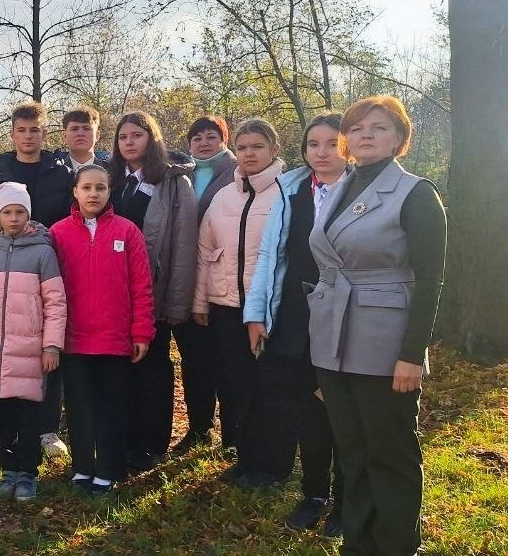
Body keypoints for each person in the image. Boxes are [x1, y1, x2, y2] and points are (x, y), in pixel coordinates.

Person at [308, 95, 446, 556]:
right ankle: (360, 543)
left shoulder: (416, 193)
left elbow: (431, 280)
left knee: (390, 454)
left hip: (385, 343)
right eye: (359, 127)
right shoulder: (340, 186)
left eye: (380, 127)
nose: (366, 134)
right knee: (352, 451)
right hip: (333, 339)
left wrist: (412, 354)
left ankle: (397, 545)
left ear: (400, 139)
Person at [243, 113, 349, 535]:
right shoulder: (291, 190)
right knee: (305, 409)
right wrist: (256, 313)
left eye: (331, 143)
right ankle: (313, 494)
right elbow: (271, 255)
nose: (321, 153)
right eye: (313, 144)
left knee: (339, 411)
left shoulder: (361, 190)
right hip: (292, 317)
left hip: (342, 319)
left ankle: (345, 501)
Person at [0, 101, 74, 457]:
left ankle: (47, 428)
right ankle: (10, 428)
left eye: (35, 130)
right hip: (4, 269)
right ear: (13, 132)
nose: (28, 136)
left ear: (44, 132)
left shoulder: (59, 170)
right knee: (10, 347)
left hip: (50, 266)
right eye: (22, 130)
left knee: (48, 346)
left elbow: (70, 216)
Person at [49, 165, 155, 497]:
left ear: (110, 192)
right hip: (74, 338)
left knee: (112, 405)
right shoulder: (58, 233)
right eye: (87, 188)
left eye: (100, 188)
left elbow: (141, 285)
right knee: (80, 406)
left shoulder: (127, 231)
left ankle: (109, 468)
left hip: (114, 337)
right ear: (75, 192)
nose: (93, 194)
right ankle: (82, 467)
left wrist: (141, 332)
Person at [191, 118, 286, 486]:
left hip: (268, 312)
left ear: (274, 150)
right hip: (227, 308)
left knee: (269, 387)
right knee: (236, 385)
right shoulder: (224, 196)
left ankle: (272, 465)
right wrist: (200, 301)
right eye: (244, 147)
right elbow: (205, 251)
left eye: (257, 147)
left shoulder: (287, 193)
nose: (249, 154)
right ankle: (245, 459)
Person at [0, 182, 67, 502]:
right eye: (7, 212)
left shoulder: (43, 252)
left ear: (28, 214)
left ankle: (28, 474)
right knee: (2, 419)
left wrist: (51, 346)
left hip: (30, 352)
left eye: (20, 211)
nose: (14, 218)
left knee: (29, 419)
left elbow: (55, 303)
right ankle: (8, 471)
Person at [107, 112, 197, 471]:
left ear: (152, 139)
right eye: (123, 137)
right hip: (114, 290)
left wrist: (176, 301)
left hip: (154, 290)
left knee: (153, 367)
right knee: (122, 366)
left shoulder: (174, 183)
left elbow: (185, 246)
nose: (129, 142)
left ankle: (151, 443)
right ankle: (124, 438)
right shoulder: (110, 180)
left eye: (137, 135)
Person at [170, 115, 236, 455]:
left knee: (227, 360)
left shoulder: (238, 173)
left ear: (224, 140)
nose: (204, 142)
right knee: (193, 358)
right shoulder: (182, 173)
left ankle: (234, 435)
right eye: (197, 138)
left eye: (212, 136)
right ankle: (199, 428)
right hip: (186, 278)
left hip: (224, 278)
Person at [57, 105, 109, 172]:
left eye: (86, 129)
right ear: (64, 136)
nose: (80, 133)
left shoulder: (111, 172)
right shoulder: (53, 171)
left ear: (97, 135)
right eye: (74, 129)